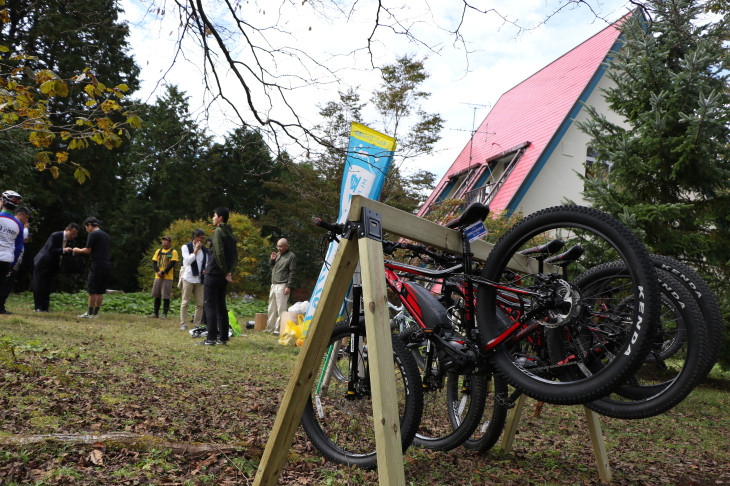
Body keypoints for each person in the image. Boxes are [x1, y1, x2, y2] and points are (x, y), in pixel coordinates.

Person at [201, 207, 237, 346]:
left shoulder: (218, 232)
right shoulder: (231, 235)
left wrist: (223, 270)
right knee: (221, 305)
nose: (213, 218)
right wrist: (229, 272)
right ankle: (223, 337)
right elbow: (235, 256)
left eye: (214, 215)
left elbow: (219, 253)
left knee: (210, 305)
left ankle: (211, 338)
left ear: (220, 218)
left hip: (214, 273)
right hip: (223, 276)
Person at [31, 223, 80, 312]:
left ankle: (45, 307)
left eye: (75, 234)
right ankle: (38, 307)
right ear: (66, 229)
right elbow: (51, 249)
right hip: (42, 263)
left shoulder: (71, 241)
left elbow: (68, 255)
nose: (73, 236)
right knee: (39, 285)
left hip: (53, 265)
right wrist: (63, 250)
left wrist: (73, 252)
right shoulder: (55, 235)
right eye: (72, 233)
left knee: (48, 286)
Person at [72, 217, 111, 319]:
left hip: (97, 264)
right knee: (100, 290)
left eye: (86, 227)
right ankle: (96, 313)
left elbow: (87, 250)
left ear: (89, 225)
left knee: (92, 289)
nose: (86, 230)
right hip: (106, 264)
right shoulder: (105, 235)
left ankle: (89, 313)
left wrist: (77, 250)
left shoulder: (93, 234)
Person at [0, 206, 30, 313]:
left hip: (10, 257)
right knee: (5, 283)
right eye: (25, 218)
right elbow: (19, 244)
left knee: (7, 283)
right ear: (19, 214)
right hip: (9, 258)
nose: (26, 221)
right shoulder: (16, 225)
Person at [179, 228, 207, 330]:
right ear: (195, 237)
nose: (203, 240)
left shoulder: (204, 249)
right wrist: (195, 250)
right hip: (188, 278)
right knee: (185, 301)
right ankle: (183, 323)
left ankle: (197, 324)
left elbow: (206, 261)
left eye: (204, 238)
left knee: (200, 303)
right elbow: (187, 261)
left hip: (200, 279)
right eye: (201, 238)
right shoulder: (185, 247)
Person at [266, 238, 296, 334]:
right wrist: (272, 260)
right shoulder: (278, 255)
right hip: (274, 284)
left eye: (281, 246)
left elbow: (292, 272)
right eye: (278, 246)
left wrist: (288, 286)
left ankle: (278, 329)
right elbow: (272, 267)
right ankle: (269, 327)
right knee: (271, 307)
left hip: (283, 285)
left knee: (281, 308)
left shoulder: (291, 256)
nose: (279, 248)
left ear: (287, 246)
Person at [148, 235, 178, 319]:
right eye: (163, 240)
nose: (164, 242)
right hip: (158, 277)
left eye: (166, 240)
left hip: (167, 277)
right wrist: (158, 271)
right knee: (157, 296)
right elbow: (154, 262)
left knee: (166, 296)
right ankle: (155, 313)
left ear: (170, 242)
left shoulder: (173, 252)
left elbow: (172, 263)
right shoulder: (158, 251)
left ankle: (164, 314)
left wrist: (164, 272)